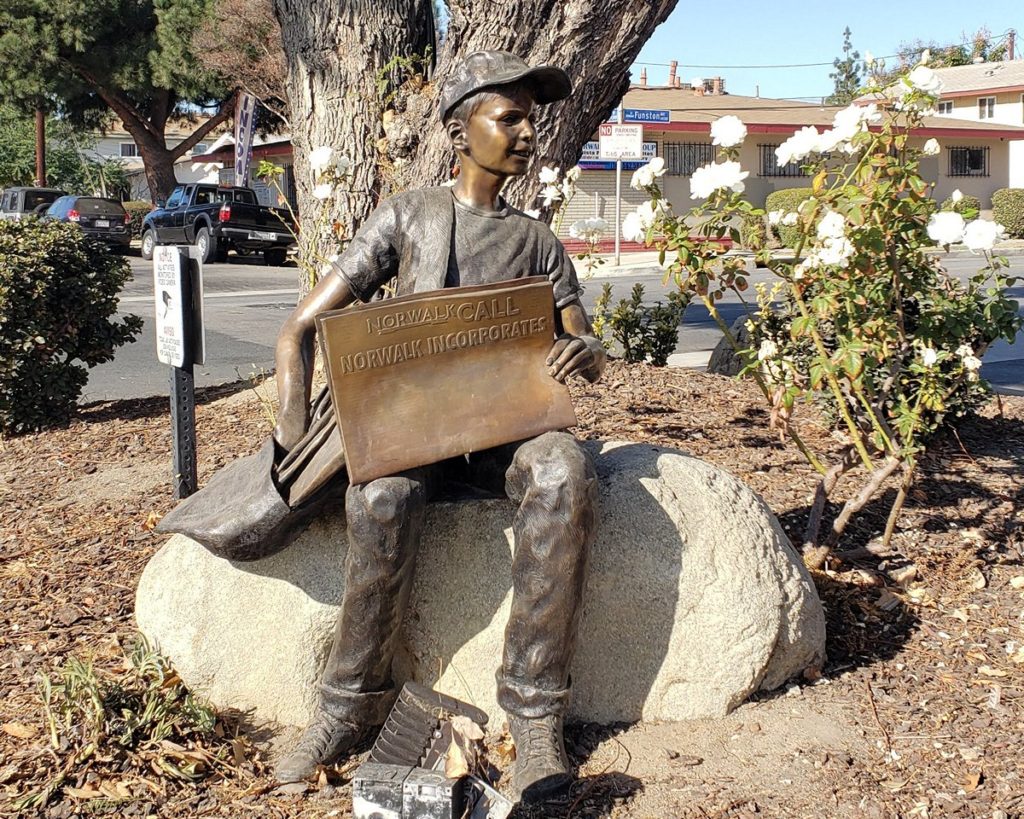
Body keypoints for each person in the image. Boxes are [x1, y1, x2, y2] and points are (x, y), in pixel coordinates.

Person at [272, 50, 607, 802]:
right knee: (381, 496)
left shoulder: (539, 243)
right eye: (509, 117)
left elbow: (583, 338)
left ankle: (537, 714)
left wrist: (583, 350)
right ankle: (346, 706)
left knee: (564, 469)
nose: (526, 133)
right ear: (462, 130)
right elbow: (303, 323)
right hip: (415, 430)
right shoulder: (410, 214)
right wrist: (292, 411)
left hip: (506, 433)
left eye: (531, 119)